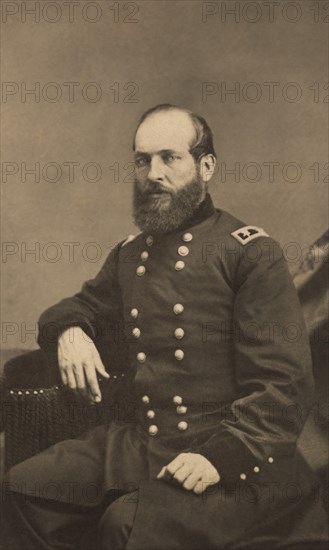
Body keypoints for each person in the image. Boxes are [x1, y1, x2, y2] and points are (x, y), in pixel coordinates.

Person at [3, 104, 328, 550]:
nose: (153, 172)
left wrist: (221, 458)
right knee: (24, 487)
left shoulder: (250, 253)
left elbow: (285, 386)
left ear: (206, 165)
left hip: (238, 455)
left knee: (126, 525)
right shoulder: (130, 254)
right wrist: (71, 331)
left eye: (170, 157)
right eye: (142, 159)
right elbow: (79, 305)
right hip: (144, 439)